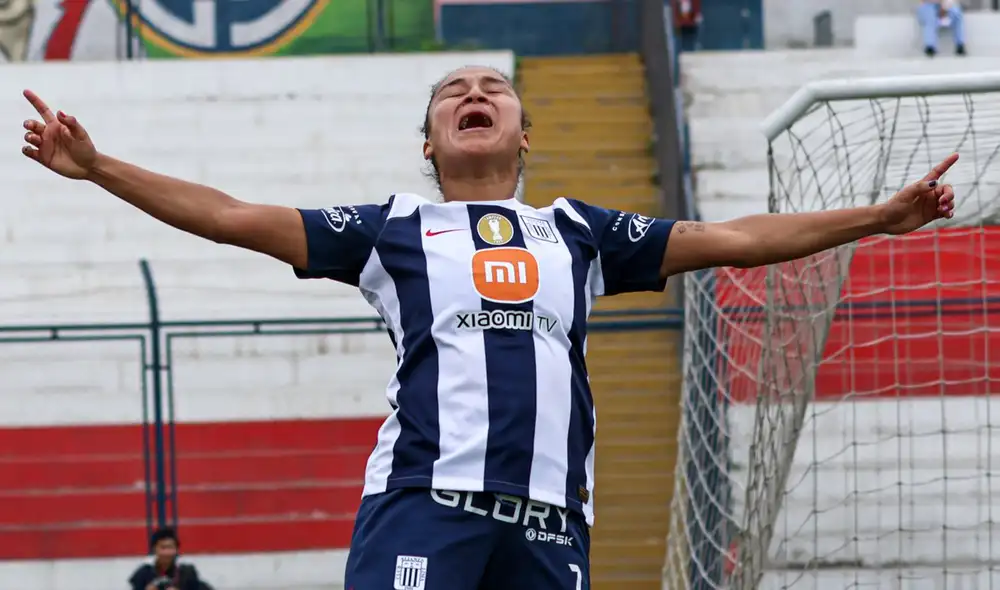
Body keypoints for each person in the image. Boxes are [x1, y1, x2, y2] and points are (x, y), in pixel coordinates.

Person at [19, 66, 956, 589]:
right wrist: (101, 168)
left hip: (552, 530)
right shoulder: (390, 229)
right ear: (429, 141)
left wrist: (874, 218)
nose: (476, 92)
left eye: (494, 88)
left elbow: (738, 237)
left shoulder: (580, 233)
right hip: (426, 506)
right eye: (452, 90)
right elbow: (230, 215)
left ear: (522, 133)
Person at [127, 527, 204, 590]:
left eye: (170, 547)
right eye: (163, 548)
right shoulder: (143, 573)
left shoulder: (187, 573)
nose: (167, 553)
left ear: (177, 549)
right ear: (154, 549)